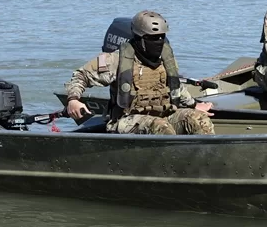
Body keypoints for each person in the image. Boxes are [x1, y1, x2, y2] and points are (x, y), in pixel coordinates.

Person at [64, 10, 214, 135]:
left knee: (199, 120)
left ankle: (207, 161)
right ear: (140, 38)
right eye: (153, 38)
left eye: (161, 37)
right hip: (126, 120)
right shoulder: (116, 60)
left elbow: (176, 86)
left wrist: (194, 105)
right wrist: (73, 99)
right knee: (160, 127)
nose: (159, 41)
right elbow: (81, 75)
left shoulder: (165, 59)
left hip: (163, 115)